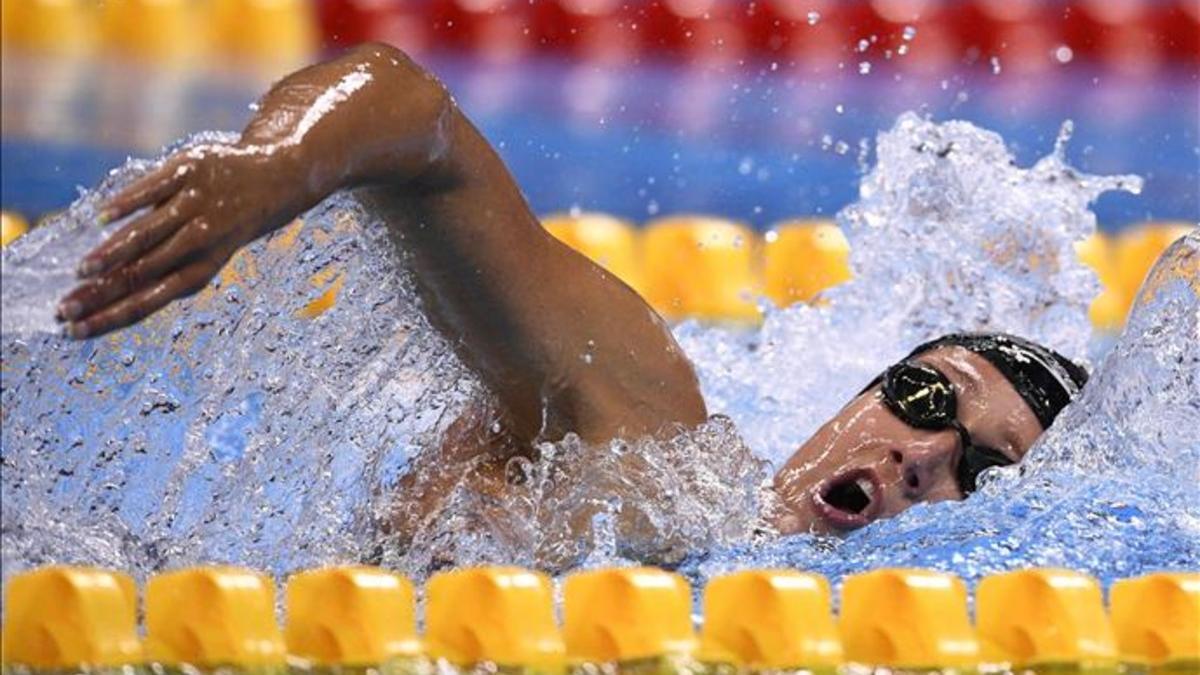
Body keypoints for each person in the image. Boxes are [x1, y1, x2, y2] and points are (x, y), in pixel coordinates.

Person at [54, 43, 1088, 537]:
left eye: (981, 471)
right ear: (865, 390)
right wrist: (275, 168)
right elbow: (413, 111)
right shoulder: (639, 438)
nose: (918, 455)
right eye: (921, 400)